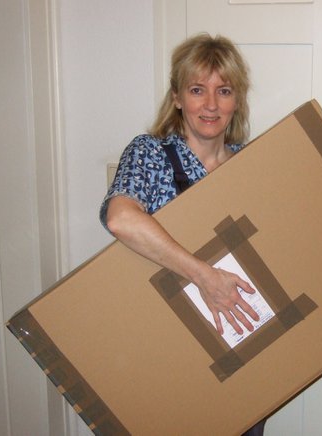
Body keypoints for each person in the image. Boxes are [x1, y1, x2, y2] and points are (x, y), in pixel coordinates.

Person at [99, 33, 266, 436]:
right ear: (177, 97)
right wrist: (204, 276)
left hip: (243, 347)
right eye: (197, 90)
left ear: (237, 100)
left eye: (223, 91)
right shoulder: (151, 153)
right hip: (169, 350)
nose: (211, 104)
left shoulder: (255, 163)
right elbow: (121, 218)